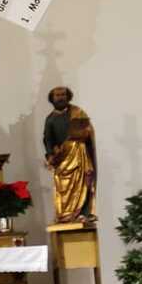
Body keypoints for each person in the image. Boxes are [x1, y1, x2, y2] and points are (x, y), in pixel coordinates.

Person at [43, 86, 96, 225]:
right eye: (57, 95)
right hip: (63, 159)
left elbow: (87, 131)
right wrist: (50, 155)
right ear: (52, 98)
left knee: (85, 182)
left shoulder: (77, 113)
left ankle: (82, 213)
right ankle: (66, 214)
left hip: (80, 154)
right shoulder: (50, 119)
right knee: (64, 186)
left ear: (68, 97)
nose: (60, 97)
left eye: (63, 94)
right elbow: (48, 140)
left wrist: (84, 133)